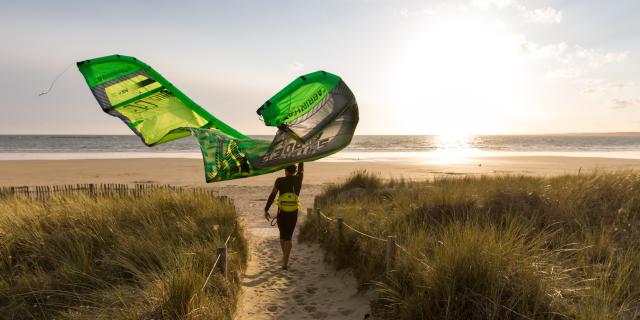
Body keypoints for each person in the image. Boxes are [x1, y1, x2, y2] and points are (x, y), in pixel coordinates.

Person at [264, 162, 303, 270]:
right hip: (293, 212)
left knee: (282, 236)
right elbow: (301, 170)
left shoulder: (279, 180)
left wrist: (266, 209)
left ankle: (284, 258)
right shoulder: (298, 179)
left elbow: (272, 194)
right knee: (288, 237)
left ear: (285, 170)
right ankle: (285, 262)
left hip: (281, 212)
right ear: (295, 171)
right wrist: (302, 159)